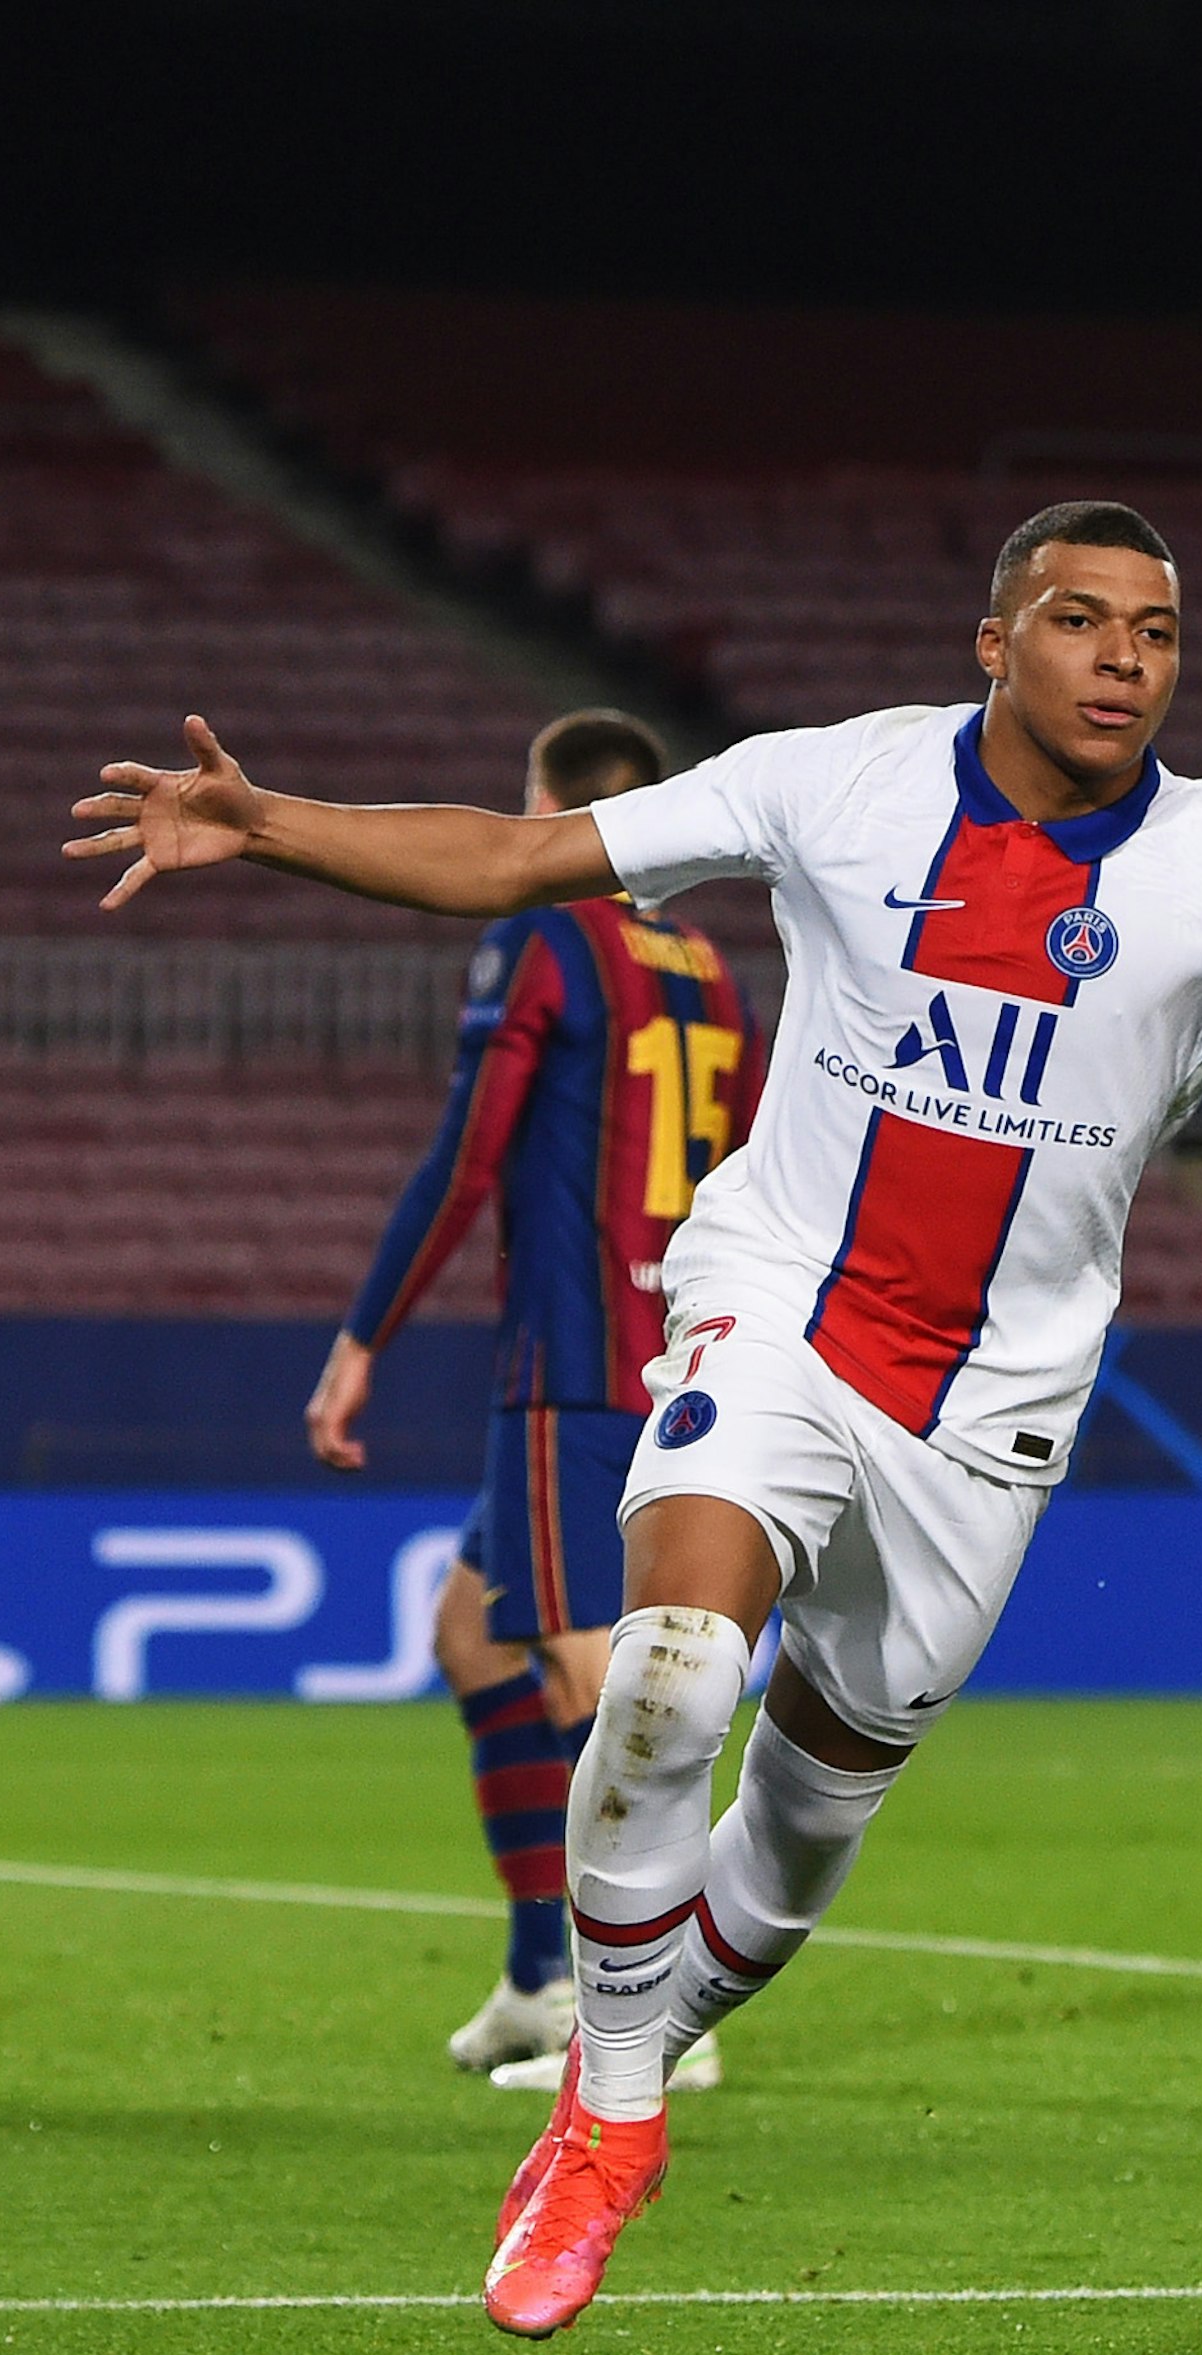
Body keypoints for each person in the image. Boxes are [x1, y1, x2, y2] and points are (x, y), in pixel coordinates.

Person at [67, 500, 1202, 2336]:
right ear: (995, 641)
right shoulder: (839, 783)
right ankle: (610, 2118)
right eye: (1081, 619)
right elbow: (518, 853)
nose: (1124, 658)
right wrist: (269, 821)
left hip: (995, 1415)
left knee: (798, 1838)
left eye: (1157, 631)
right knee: (670, 1673)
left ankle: (631, 2046)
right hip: (781, 1311)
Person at [305, 709, 758, 2078]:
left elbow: (469, 1153)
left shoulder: (549, 936)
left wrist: (363, 1335)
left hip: (574, 1358)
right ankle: (534, 1978)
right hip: (676, 1340)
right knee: (475, 1634)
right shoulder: (711, 969)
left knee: (583, 1664)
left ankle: (650, 2013)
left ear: (555, 812)